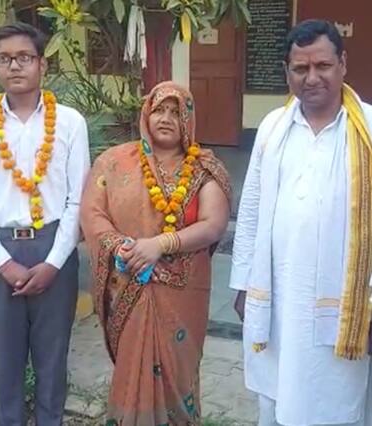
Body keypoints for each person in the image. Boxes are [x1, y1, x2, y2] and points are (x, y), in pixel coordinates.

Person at [230, 19, 372, 426]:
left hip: (343, 303)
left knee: (335, 401)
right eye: (300, 68)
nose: (312, 78)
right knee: (277, 394)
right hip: (279, 297)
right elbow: (252, 207)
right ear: (286, 72)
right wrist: (242, 282)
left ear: (343, 64)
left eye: (323, 66)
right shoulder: (272, 127)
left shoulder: (368, 128)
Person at [0, 23, 90, 425]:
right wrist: (4, 263)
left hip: (54, 248)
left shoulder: (70, 122)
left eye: (24, 57)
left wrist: (54, 262)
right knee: (5, 365)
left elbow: (78, 199)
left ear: (42, 64)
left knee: (53, 362)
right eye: (4, 59)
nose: (15, 66)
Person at [80, 81, 231, 425]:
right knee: (132, 368)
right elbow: (92, 213)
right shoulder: (114, 162)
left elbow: (213, 224)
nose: (165, 118)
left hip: (182, 294)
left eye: (176, 113)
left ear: (188, 121)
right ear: (146, 114)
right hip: (127, 281)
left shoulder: (205, 169)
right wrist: (121, 247)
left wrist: (159, 245)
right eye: (159, 110)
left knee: (177, 374)